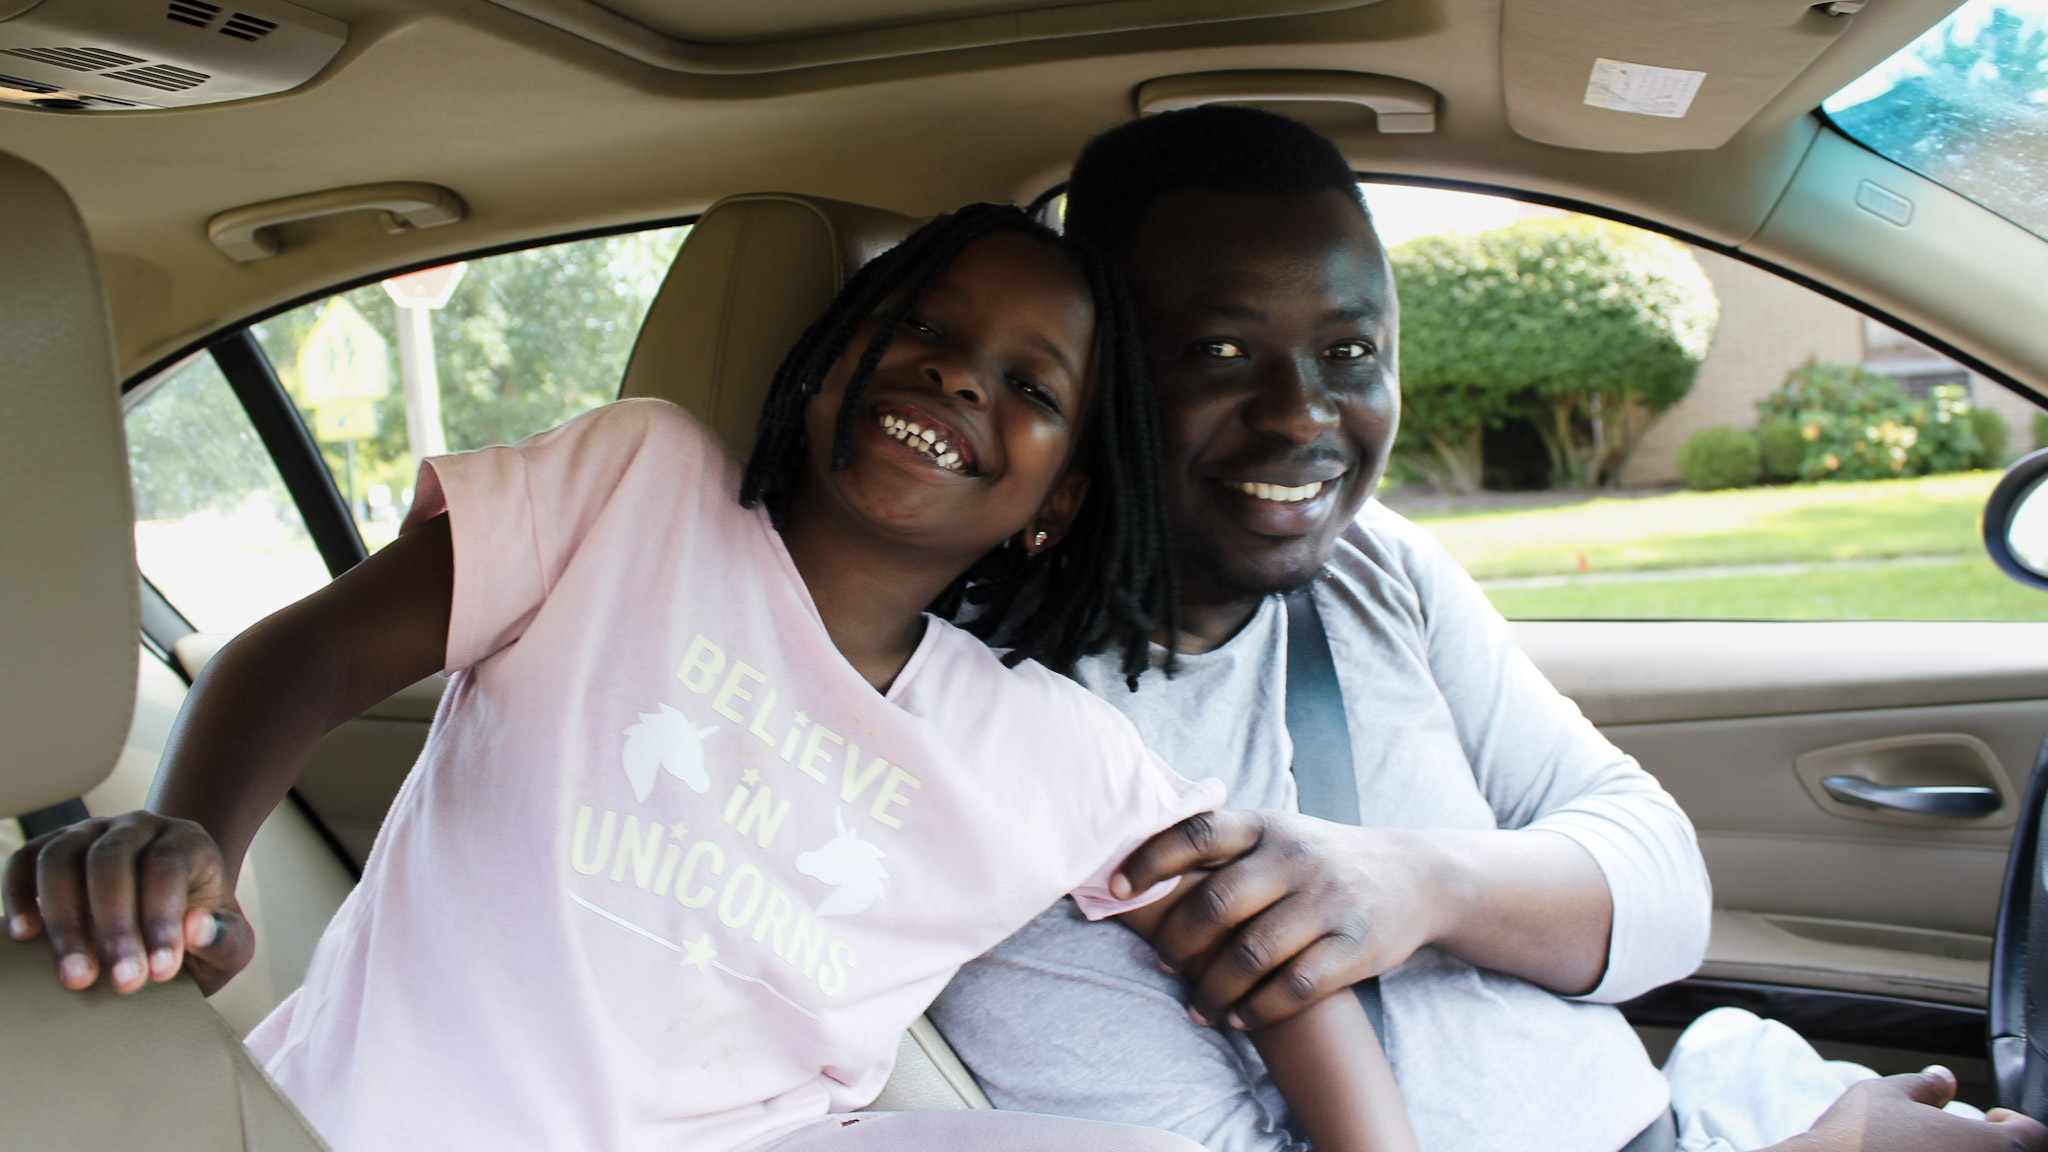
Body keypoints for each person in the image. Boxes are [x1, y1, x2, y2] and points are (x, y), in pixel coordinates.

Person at [2, 204, 1411, 1152]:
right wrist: (201, 845)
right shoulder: (637, 486)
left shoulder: (1046, 747)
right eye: (921, 325)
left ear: (1057, 501)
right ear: (826, 362)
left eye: (1032, 387)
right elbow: (299, 657)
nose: (959, 377)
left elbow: (1263, 944)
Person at [929, 108, 2048, 1152]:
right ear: (1098, 363)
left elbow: (1659, 885)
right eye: (1217, 352)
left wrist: (1421, 887)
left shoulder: (1377, 570)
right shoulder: (991, 726)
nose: (1303, 414)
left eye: (1349, 352)